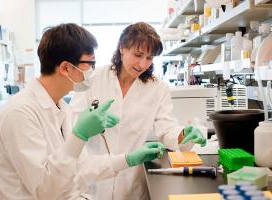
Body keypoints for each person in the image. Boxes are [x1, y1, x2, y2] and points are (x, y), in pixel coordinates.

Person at [0, 23, 166, 200]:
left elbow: (80, 165)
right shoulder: (19, 113)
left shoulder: (59, 107)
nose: (93, 71)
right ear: (66, 68)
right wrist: (79, 135)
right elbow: (45, 190)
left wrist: (129, 159)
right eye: (90, 64)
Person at [70, 22, 207, 200]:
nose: (143, 64)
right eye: (138, 54)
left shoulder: (157, 88)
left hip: (131, 180)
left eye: (149, 58)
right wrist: (91, 121)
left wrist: (183, 133)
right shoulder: (93, 79)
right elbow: (71, 123)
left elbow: (166, 128)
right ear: (122, 48)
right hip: (93, 179)